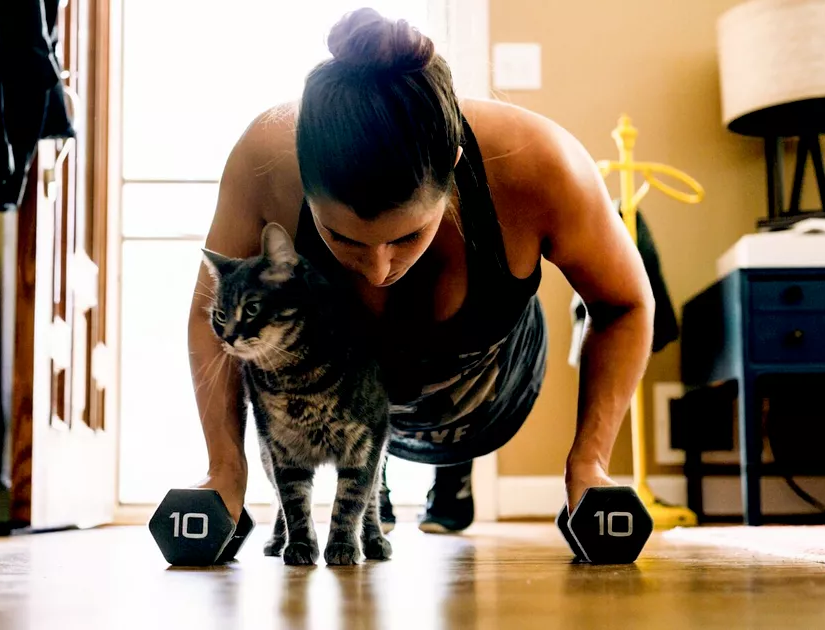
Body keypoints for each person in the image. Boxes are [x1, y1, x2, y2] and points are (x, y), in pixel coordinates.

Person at [188, 8, 654, 535]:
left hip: (489, 390)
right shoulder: (265, 159)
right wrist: (225, 471)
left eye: (406, 236)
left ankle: (453, 471)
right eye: (341, 237)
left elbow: (626, 303)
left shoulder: (542, 162)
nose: (378, 269)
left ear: (452, 165)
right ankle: (371, 460)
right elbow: (213, 319)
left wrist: (589, 465)